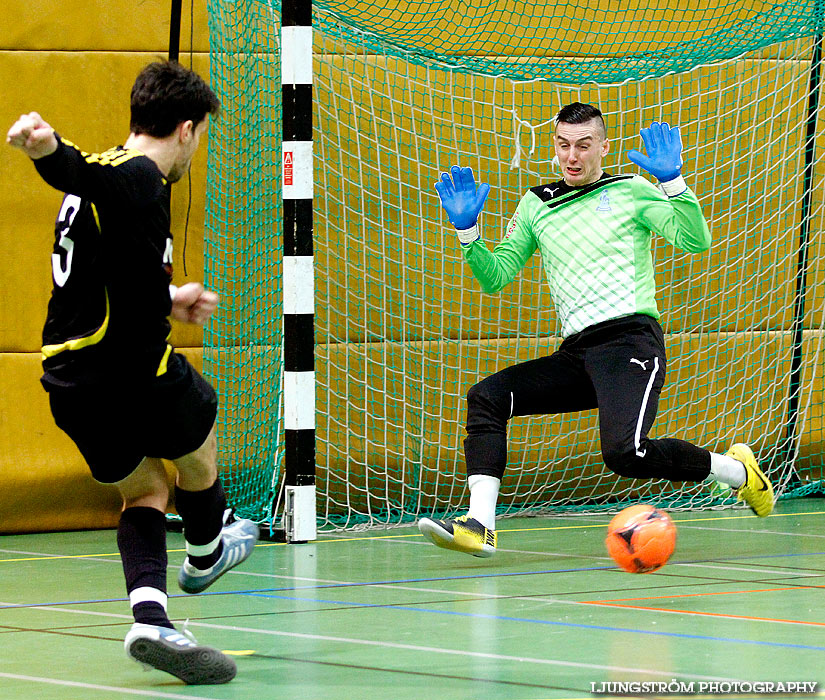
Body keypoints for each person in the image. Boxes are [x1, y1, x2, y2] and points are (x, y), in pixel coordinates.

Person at [418, 102, 774, 558]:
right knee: (488, 396)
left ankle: (739, 474)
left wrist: (672, 182)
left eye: (584, 145)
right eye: (564, 145)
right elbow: (495, 276)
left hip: (630, 340)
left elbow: (695, 240)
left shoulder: (631, 189)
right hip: (578, 354)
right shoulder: (536, 204)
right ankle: (479, 526)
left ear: (603, 147)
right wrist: (468, 232)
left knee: (626, 454)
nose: (573, 156)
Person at [6, 61, 259, 684]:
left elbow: (105, 269)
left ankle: (150, 617)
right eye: (199, 140)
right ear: (187, 128)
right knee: (201, 425)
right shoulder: (139, 172)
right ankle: (205, 551)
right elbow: (80, 169)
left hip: (67, 379)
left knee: (144, 491)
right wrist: (46, 149)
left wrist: (167, 298)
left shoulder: (122, 184)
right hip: (125, 368)